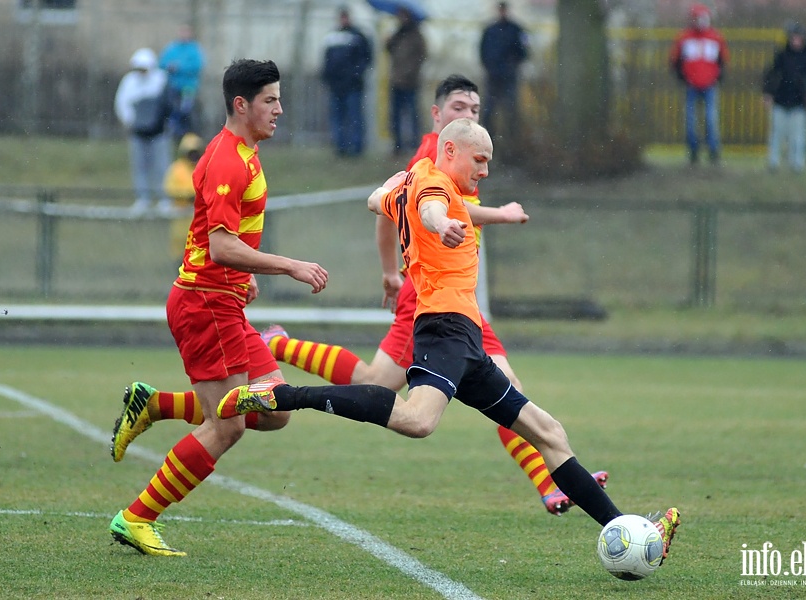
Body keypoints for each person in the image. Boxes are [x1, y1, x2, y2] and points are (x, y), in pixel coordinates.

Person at [110, 74, 606, 515]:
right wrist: (412, 248)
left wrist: (463, 213)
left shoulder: (438, 173)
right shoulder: (433, 169)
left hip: (457, 318)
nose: (470, 119)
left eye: (475, 109)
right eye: (460, 109)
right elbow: (427, 207)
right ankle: (137, 516)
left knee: (276, 412)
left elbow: (384, 200)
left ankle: (600, 511)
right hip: (437, 313)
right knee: (407, 413)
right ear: (440, 121)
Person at [216, 118, 681, 564]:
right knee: (418, 421)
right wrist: (440, 224)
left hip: (465, 337)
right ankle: (283, 395)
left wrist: (390, 191)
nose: (485, 171)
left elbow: (377, 200)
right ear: (451, 149)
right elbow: (430, 207)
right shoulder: (435, 184)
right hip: (443, 327)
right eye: (479, 160)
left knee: (549, 432)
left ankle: (629, 530)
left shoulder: (415, 177)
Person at [108, 58, 329, 557]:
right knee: (227, 425)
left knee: (274, 410)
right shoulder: (229, 158)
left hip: (221, 300)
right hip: (205, 305)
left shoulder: (244, 151)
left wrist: (243, 276)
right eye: (270, 100)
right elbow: (220, 245)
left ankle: (157, 404)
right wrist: (288, 265)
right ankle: (136, 517)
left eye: (279, 99)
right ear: (241, 104)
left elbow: (219, 239)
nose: (279, 109)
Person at [114, 47, 173, 215]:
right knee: (140, 166)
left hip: (159, 132)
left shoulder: (161, 80)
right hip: (138, 132)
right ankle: (143, 199)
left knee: (161, 166)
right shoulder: (129, 82)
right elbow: (122, 103)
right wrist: (131, 122)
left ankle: (164, 199)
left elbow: (167, 104)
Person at [669, 3, 729, 165]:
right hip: (691, 85)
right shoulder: (684, 38)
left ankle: (713, 150)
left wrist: (717, 78)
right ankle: (693, 150)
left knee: (711, 119)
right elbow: (674, 61)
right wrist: (683, 77)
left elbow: (722, 61)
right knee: (691, 121)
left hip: (709, 85)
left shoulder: (716, 38)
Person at [762, 22, 806, 173]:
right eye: (794, 38)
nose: (796, 41)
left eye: (799, 38)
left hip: (799, 103)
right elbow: (771, 75)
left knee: (798, 136)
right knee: (777, 134)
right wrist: (768, 93)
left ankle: (797, 164)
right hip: (781, 100)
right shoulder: (782, 56)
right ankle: (773, 163)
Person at [321, 6, 372, 157]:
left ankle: (357, 147)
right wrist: (328, 78)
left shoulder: (358, 36)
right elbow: (327, 61)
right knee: (338, 117)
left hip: (352, 85)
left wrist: (355, 75)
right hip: (336, 86)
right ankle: (341, 147)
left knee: (354, 116)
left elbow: (366, 59)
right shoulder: (332, 37)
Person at [479, 1, 529, 144]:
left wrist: (512, 65)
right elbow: (483, 52)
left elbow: (523, 52)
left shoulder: (515, 30)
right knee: (489, 110)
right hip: (493, 76)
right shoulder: (490, 30)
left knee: (511, 110)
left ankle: (512, 142)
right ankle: (489, 140)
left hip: (509, 76)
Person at [385, 7, 427, 156]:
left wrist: (409, 73)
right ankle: (398, 145)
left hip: (410, 82)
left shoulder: (416, 36)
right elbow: (389, 50)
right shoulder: (398, 34)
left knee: (412, 114)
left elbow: (421, 57)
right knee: (395, 115)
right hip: (396, 81)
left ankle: (415, 145)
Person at [158, 24, 206, 141]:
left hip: (188, 87)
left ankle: (189, 136)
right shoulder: (172, 48)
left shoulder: (194, 49)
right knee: (173, 111)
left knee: (186, 111)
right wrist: (170, 66)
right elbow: (162, 63)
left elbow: (198, 65)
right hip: (173, 87)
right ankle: (174, 135)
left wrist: (180, 67)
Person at [163, 132, 203, 260]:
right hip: (180, 218)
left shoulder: (203, 167)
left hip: (199, 219)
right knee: (180, 254)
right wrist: (187, 196)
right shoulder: (176, 168)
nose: (193, 155)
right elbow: (169, 188)